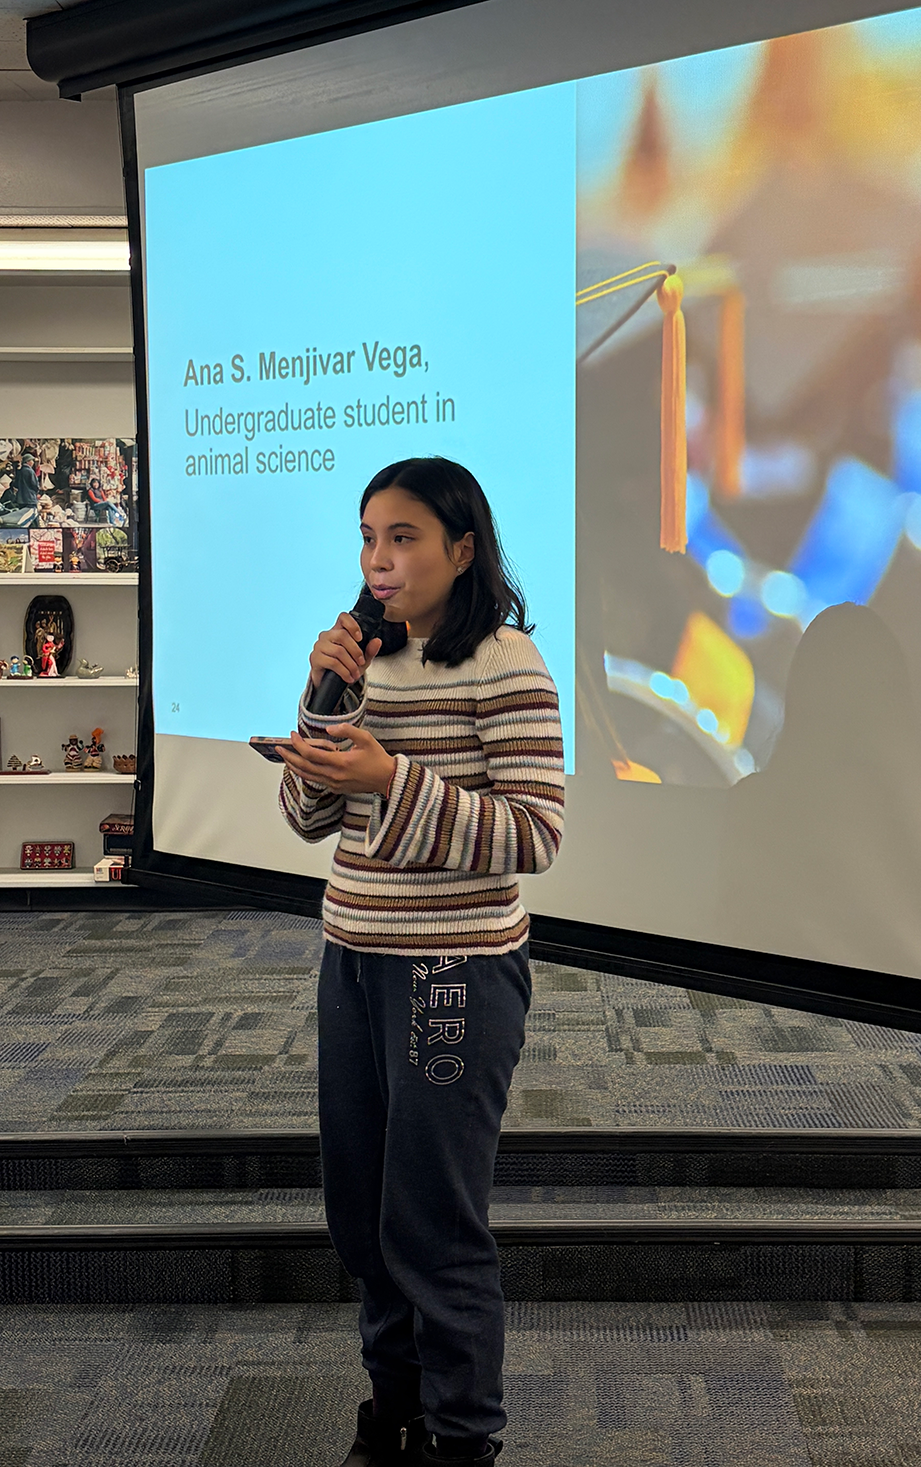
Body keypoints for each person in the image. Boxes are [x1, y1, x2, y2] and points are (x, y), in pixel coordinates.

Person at [277, 457, 565, 1467]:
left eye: (402, 537)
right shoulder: (363, 656)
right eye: (368, 538)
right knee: (360, 1214)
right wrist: (322, 714)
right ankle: (390, 1410)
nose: (379, 559)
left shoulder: (507, 662)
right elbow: (312, 818)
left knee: (431, 1223)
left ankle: (461, 1438)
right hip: (351, 959)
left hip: (453, 971)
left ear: (461, 548)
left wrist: (389, 775)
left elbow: (533, 835)